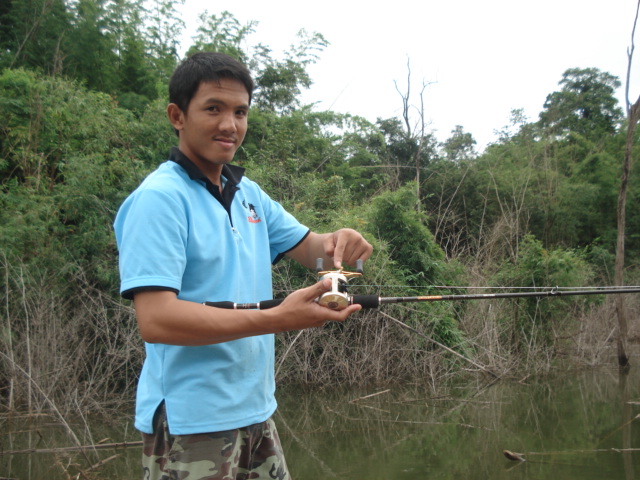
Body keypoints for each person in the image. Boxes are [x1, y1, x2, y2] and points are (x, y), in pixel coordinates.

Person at [114, 51, 373, 480]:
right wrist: (276, 319)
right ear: (177, 115)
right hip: (191, 422)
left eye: (240, 112)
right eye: (213, 109)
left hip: (256, 411)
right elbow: (157, 320)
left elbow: (315, 251)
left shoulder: (246, 191)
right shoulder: (159, 199)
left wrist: (343, 245)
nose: (229, 125)